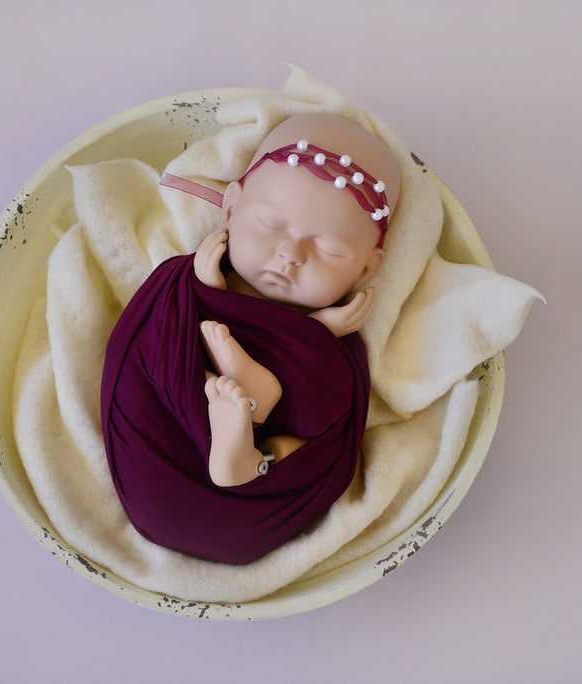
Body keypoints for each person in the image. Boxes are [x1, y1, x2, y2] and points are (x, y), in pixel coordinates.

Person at [101, 113, 402, 563]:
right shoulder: (187, 280)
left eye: (330, 250)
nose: (291, 254)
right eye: (271, 224)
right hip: (167, 465)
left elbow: (325, 415)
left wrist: (317, 336)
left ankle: (248, 444)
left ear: (366, 269)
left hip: (253, 502)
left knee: (326, 404)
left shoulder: (339, 333)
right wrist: (206, 291)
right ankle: (244, 401)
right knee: (172, 345)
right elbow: (150, 341)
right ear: (230, 207)